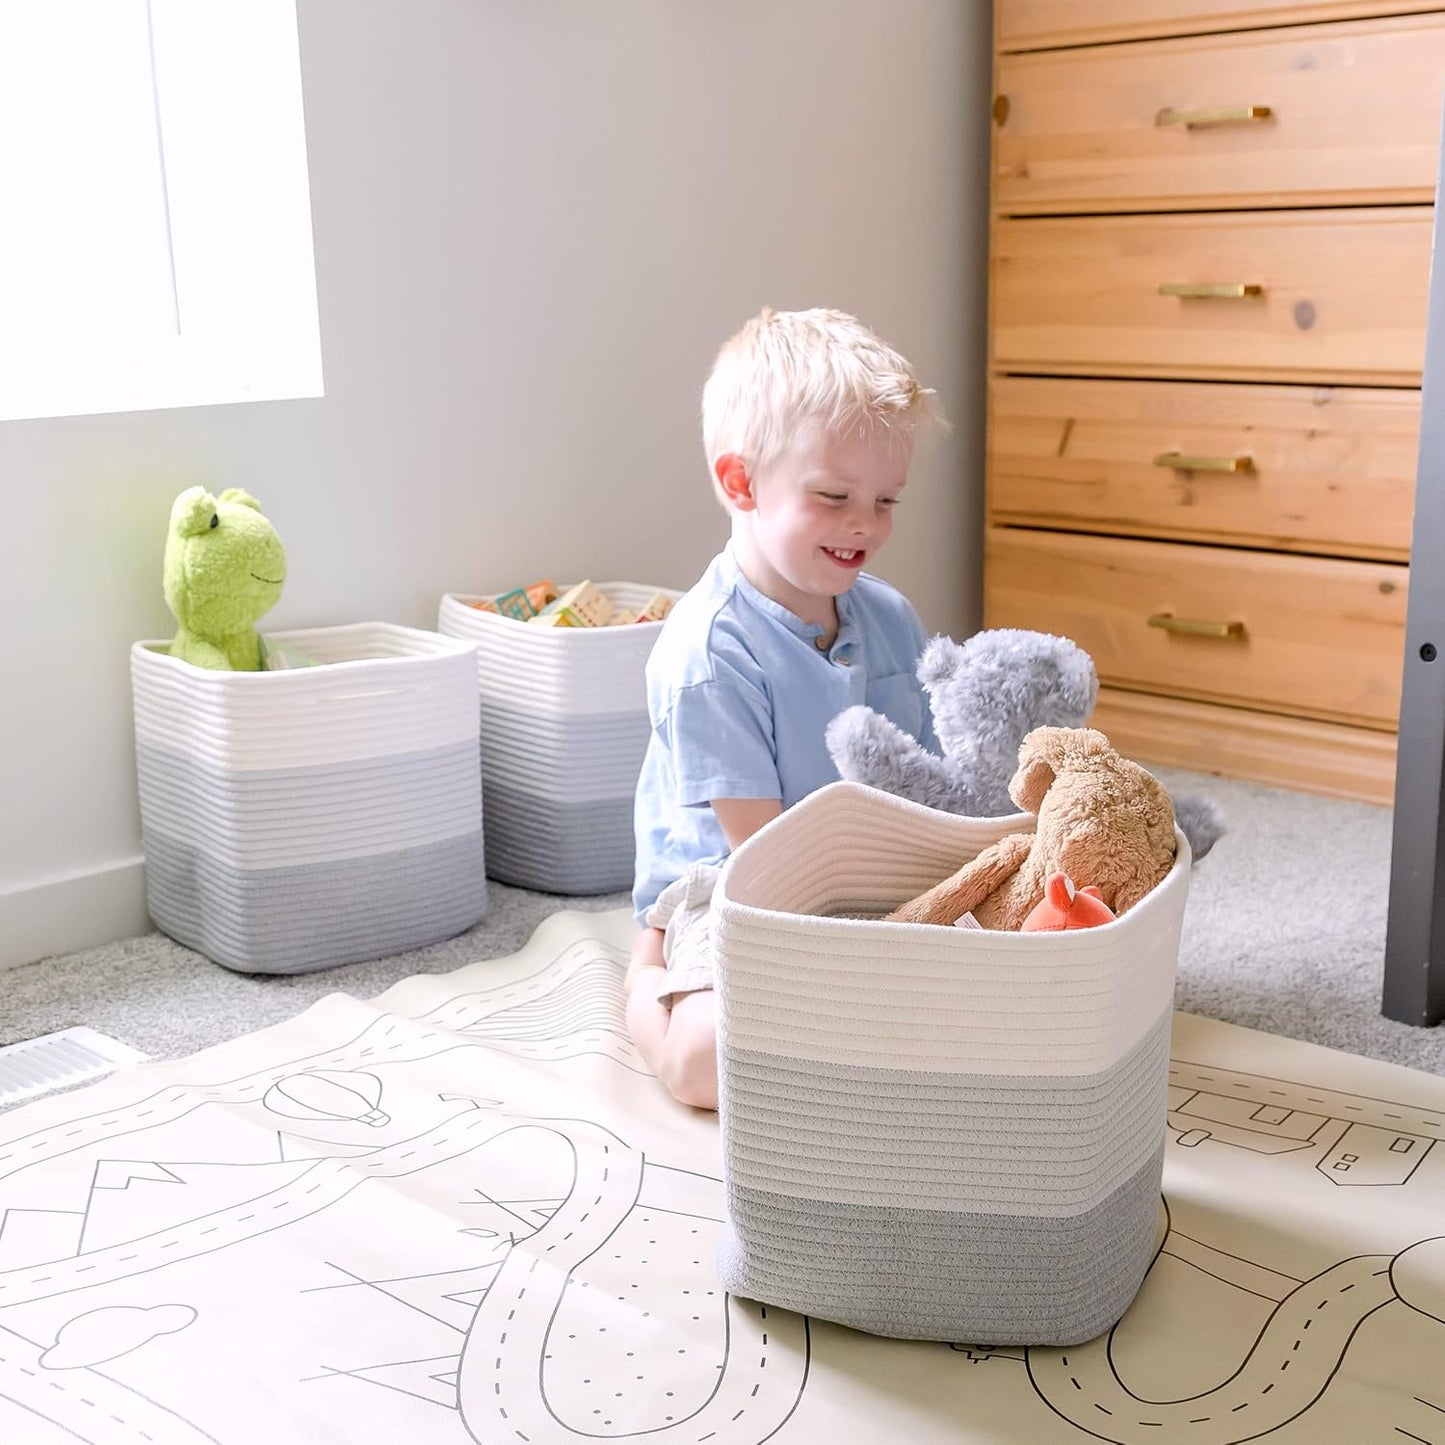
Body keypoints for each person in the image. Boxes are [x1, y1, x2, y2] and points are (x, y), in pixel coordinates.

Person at [625, 306, 945, 1109]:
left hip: (867, 868)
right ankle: (644, 969)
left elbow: (935, 784)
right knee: (705, 1064)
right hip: (737, 881)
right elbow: (762, 857)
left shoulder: (889, 617)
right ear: (741, 484)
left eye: (886, 500)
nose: (864, 525)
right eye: (832, 496)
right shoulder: (707, 651)